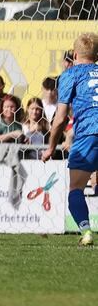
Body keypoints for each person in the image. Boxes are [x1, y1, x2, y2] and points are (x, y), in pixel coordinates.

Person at [43, 33, 98, 246]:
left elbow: (60, 118)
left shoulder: (71, 74)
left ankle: (86, 232)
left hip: (87, 134)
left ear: (74, 55)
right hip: (88, 133)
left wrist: (50, 148)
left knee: (76, 188)